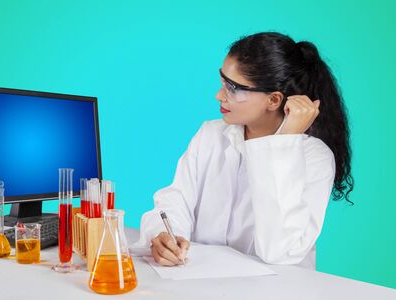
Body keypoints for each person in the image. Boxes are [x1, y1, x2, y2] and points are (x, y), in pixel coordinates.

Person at [134, 32, 353, 269]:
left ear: (274, 100)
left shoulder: (314, 158)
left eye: (233, 88)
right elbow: (176, 199)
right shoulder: (211, 134)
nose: (219, 95)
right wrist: (166, 235)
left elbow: (279, 252)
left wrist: (283, 144)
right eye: (222, 82)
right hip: (202, 283)